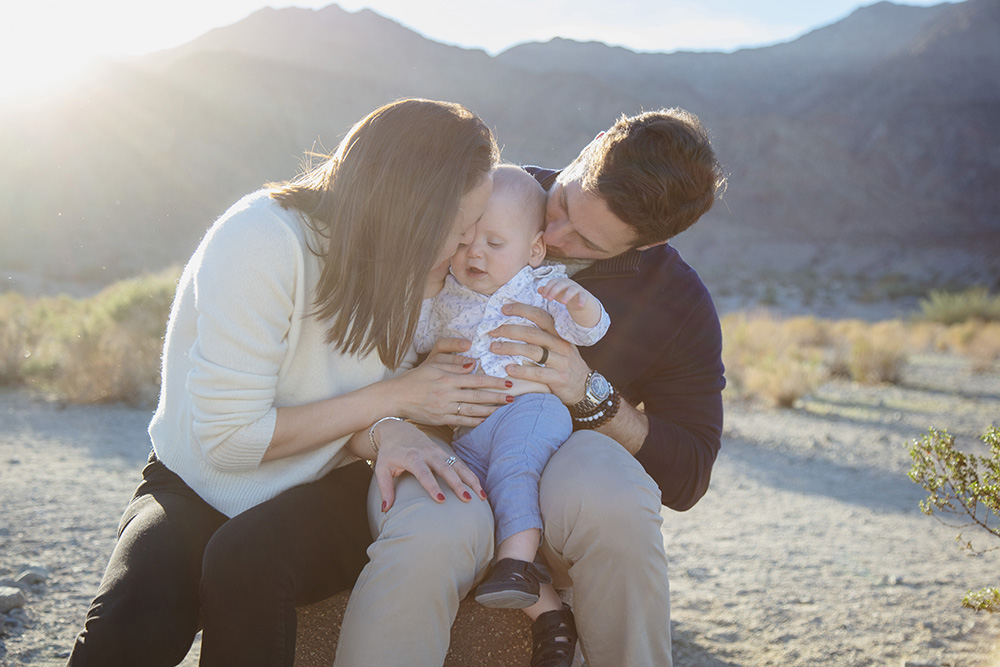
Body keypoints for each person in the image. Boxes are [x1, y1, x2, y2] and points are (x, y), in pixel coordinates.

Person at [64, 98, 505, 667]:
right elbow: (229, 440)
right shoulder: (263, 240)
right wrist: (394, 400)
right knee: (131, 619)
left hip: (328, 481)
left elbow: (367, 416)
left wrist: (391, 425)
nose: (469, 248)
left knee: (245, 560)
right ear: (413, 212)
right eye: (462, 227)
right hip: (199, 477)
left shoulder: (416, 276)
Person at [487, 108, 728, 666]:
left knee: (614, 492)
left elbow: (689, 473)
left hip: (558, 465)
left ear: (647, 243)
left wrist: (587, 390)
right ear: (588, 146)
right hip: (439, 431)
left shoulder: (679, 303)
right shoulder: (487, 193)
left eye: (589, 243)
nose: (552, 235)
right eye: (565, 203)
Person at [413, 165, 611, 666]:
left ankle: (518, 565)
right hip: (468, 429)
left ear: (534, 250)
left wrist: (581, 306)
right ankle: (550, 618)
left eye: (495, 243)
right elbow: (415, 343)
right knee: (475, 515)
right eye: (465, 242)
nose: (475, 253)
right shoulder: (445, 296)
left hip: (530, 407)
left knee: (515, 471)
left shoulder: (539, 286)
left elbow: (589, 331)